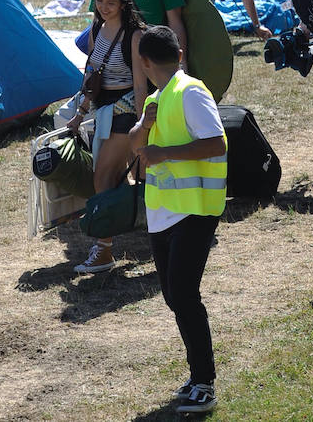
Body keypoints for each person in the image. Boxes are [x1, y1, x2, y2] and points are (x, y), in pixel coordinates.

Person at [127, 25, 227, 415]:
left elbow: (215, 142)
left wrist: (164, 153)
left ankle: (205, 382)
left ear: (144, 62)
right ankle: (197, 375)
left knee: (184, 295)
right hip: (162, 213)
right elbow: (136, 143)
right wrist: (147, 125)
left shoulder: (191, 92)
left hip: (194, 210)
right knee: (174, 296)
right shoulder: (158, 98)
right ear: (179, 53)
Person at [61, 0, 150, 274]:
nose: (103, 8)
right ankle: (152, 228)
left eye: (110, 3)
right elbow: (92, 76)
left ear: (124, 3)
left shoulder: (135, 36)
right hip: (101, 111)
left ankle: (104, 251)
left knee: (103, 177)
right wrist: (80, 111)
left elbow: (140, 86)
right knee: (133, 176)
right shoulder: (96, 29)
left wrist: (142, 126)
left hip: (124, 114)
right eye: (99, 1)